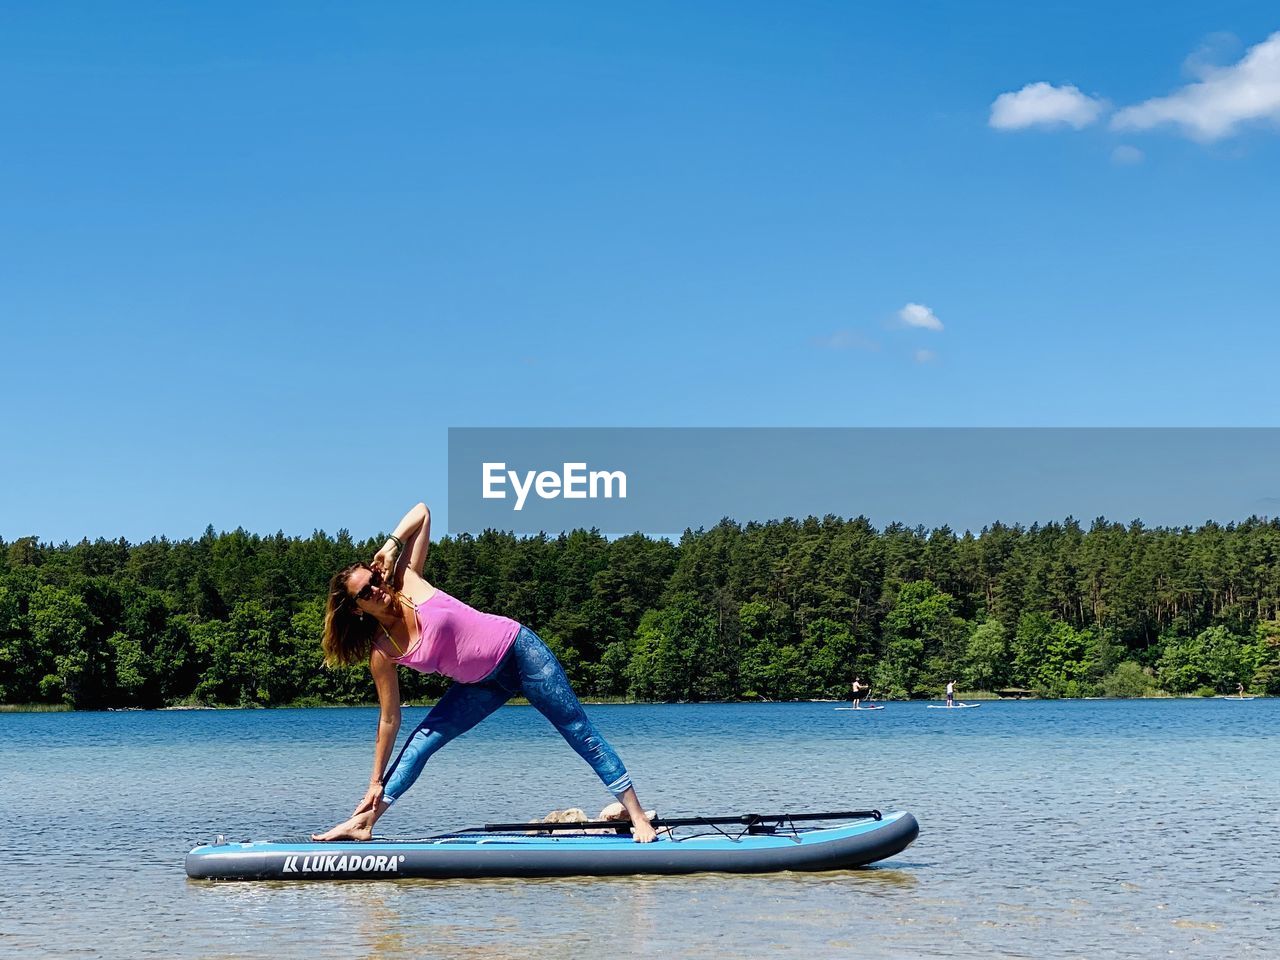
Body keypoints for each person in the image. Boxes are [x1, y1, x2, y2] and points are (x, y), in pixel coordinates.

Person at [312, 501, 658, 843]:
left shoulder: (406, 580)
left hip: (520, 653)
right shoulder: (382, 652)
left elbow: (422, 512)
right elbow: (389, 720)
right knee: (421, 743)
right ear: (357, 609)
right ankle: (364, 823)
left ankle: (639, 817)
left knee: (577, 730)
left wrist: (390, 547)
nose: (376, 589)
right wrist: (375, 780)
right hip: (480, 685)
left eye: (373, 579)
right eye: (365, 592)